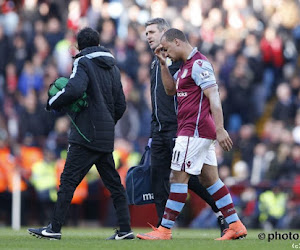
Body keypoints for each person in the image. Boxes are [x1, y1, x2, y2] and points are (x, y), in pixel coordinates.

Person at [137, 28, 247, 240]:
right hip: (195, 131)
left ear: (177, 42)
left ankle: (165, 230)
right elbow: (170, 91)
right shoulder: (185, 67)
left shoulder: (199, 64)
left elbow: (214, 95)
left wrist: (221, 128)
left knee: (177, 177)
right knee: (211, 181)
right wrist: (162, 64)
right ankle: (235, 224)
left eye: (167, 49)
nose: (166, 53)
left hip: (193, 132)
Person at [28, 27, 134, 240]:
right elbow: (121, 105)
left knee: (67, 182)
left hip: (85, 135)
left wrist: (52, 102)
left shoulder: (82, 62)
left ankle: (54, 229)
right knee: (114, 183)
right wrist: (106, 122)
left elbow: (75, 89)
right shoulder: (113, 67)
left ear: (79, 45)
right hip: (105, 135)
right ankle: (125, 230)